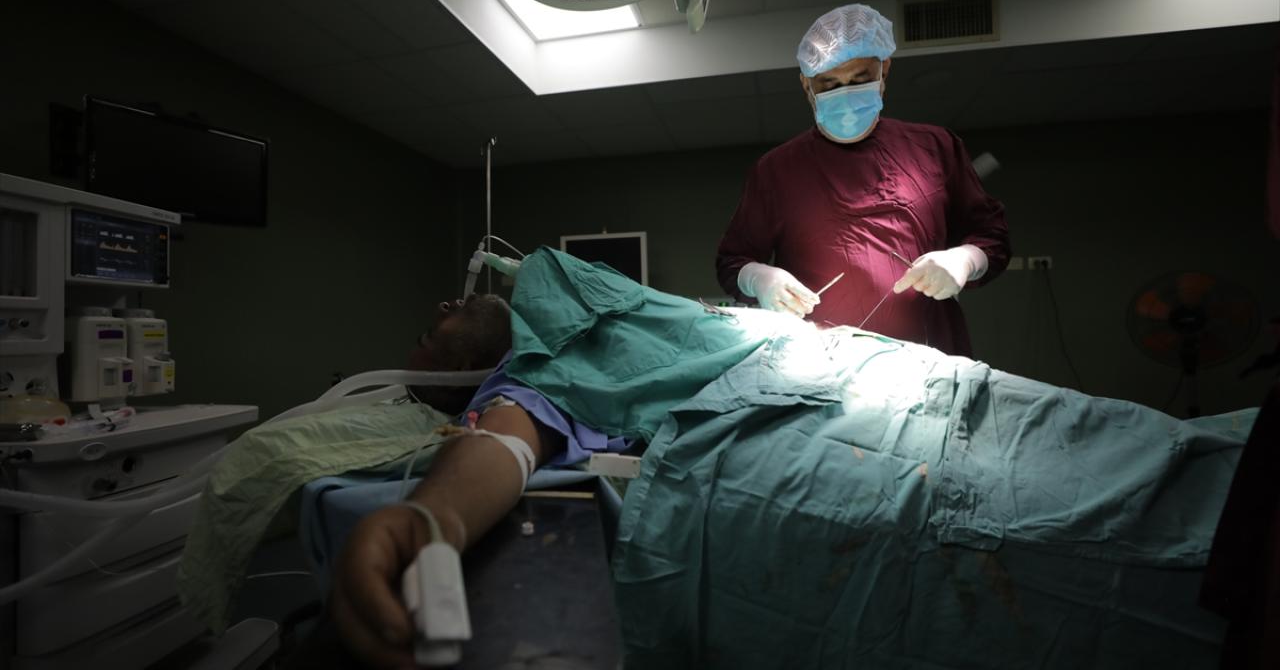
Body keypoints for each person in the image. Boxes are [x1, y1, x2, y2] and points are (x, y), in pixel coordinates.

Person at [330, 248, 1250, 669]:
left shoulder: (563, 281)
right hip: (786, 420)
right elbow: (502, 447)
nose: (445, 308)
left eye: (444, 305)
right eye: (432, 329)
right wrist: (429, 519)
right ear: (444, 374)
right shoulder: (524, 379)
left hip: (860, 364)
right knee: (1092, 513)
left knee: (1123, 442)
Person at [715, 3, 1011, 357]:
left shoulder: (935, 148)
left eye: (859, 80)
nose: (845, 93)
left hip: (930, 359)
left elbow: (992, 236)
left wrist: (964, 260)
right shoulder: (776, 170)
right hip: (820, 365)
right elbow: (732, 261)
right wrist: (760, 279)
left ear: (884, 72)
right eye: (829, 84)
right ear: (806, 86)